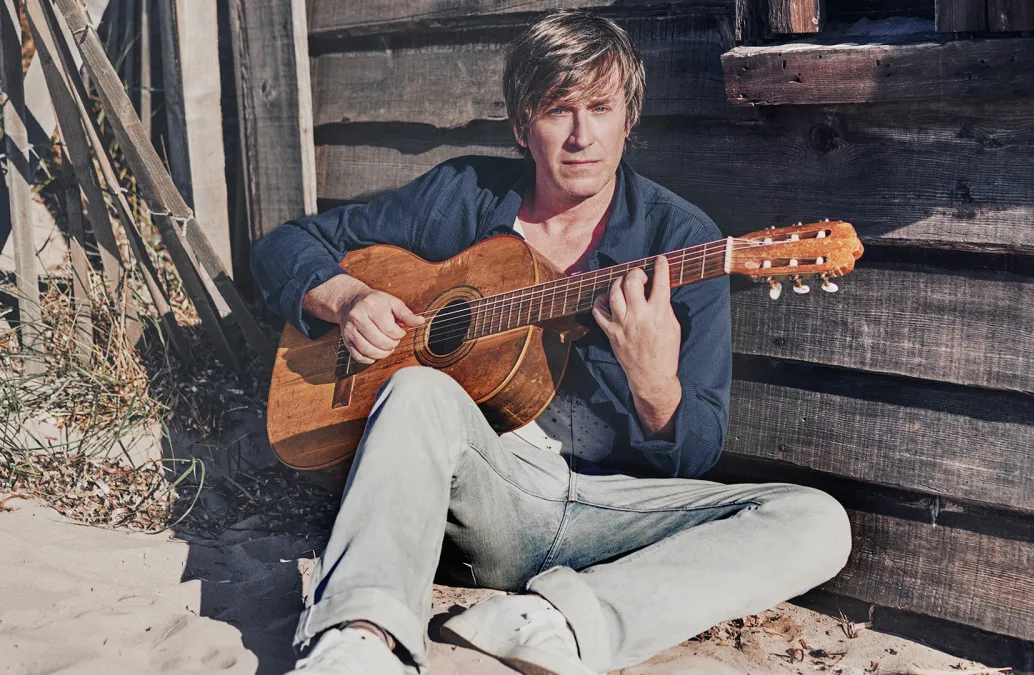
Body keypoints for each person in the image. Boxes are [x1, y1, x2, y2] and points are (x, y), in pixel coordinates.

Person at [251, 10, 851, 675]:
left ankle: (552, 620)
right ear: (521, 126)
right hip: (483, 497)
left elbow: (698, 450)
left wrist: (655, 383)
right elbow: (285, 246)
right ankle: (358, 638)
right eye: (558, 109)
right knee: (417, 385)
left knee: (818, 522)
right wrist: (346, 299)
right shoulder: (462, 196)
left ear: (629, 118)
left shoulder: (681, 243)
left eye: (601, 108)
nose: (581, 135)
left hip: (611, 515)